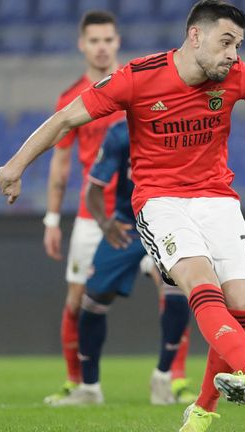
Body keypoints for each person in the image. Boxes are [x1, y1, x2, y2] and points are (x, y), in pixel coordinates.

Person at [0, 1, 245, 430]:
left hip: (218, 199)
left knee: (241, 304)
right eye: (226, 41)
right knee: (199, 282)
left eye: (238, 44)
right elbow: (67, 117)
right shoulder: (137, 78)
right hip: (160, 202)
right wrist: (15, 165)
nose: (234, 53)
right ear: (195, 36)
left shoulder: (236, 76)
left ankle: (202, 410)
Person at [51, 119, 197, 406]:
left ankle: (163, 378)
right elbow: (94, 187)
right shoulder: (120, 132)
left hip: (169, 223)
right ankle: (90, 388)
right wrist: (105, 224)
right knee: (92, 299)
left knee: (178, 293)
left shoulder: (181, 124)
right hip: (127, 227)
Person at [41, 10, 126, 405]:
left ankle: (173, 378)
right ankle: (78, 383)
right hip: (93, 216)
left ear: (117, 41)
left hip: (140, 209)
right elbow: (60, 166)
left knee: (173, 288)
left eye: (107, 39)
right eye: (94, 40)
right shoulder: (70, 99)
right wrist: (53, 219)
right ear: (83, 45)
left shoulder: (137, 87)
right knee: (76, 300)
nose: (102, 46)